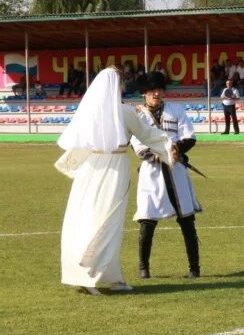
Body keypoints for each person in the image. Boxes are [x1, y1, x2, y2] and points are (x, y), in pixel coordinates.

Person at [56, 68, 172, 294]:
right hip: (113, 170)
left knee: (89, 218)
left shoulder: (91, 112)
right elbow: (147, 134)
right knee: (108, 222)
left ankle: (111, 276)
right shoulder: (125, 112)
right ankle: (88, 275)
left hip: (90, 171)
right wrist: (169, 146)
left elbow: (80, 146)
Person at [132, 71, 204, 279]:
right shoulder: (137, 115)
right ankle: (143, 269)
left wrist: (176, 149)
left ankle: (195, 269)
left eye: (160, 89)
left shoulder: (176, 110)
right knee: (147, 220)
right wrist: (155, 155)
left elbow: (189, 136)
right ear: (144, 93)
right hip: (151, 172)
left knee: (187, 220)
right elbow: (137, 143)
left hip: (176, 171)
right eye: (152, 90)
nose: (156, 93)